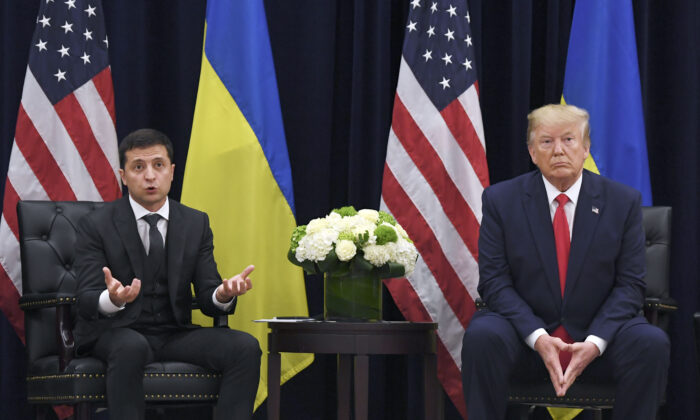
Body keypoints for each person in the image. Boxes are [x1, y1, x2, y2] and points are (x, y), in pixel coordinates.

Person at [461, 104, 670, 419]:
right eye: (546, 142)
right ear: (532, 152)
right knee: (482, 335)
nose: (558, 150)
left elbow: (630, 286)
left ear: (585, 148)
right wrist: (539, 338)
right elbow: (494, 282)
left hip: (600, 340)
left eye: (569, 140)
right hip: (525, 339)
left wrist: (595, 342)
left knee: (650, 342)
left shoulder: (622, 202)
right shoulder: (500, 201)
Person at [74, 128, 261, 420]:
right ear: (124, 176)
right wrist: (113, 299)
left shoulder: (195, 223)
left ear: (172, 172)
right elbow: (84, 298)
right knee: (131, 346)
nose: (150, 176)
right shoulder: (95, 224)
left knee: (245, 348)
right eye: (139, 167)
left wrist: (222, 294)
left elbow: (208, 291)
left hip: (174, 332)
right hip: (116, 332)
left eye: (158, 165)